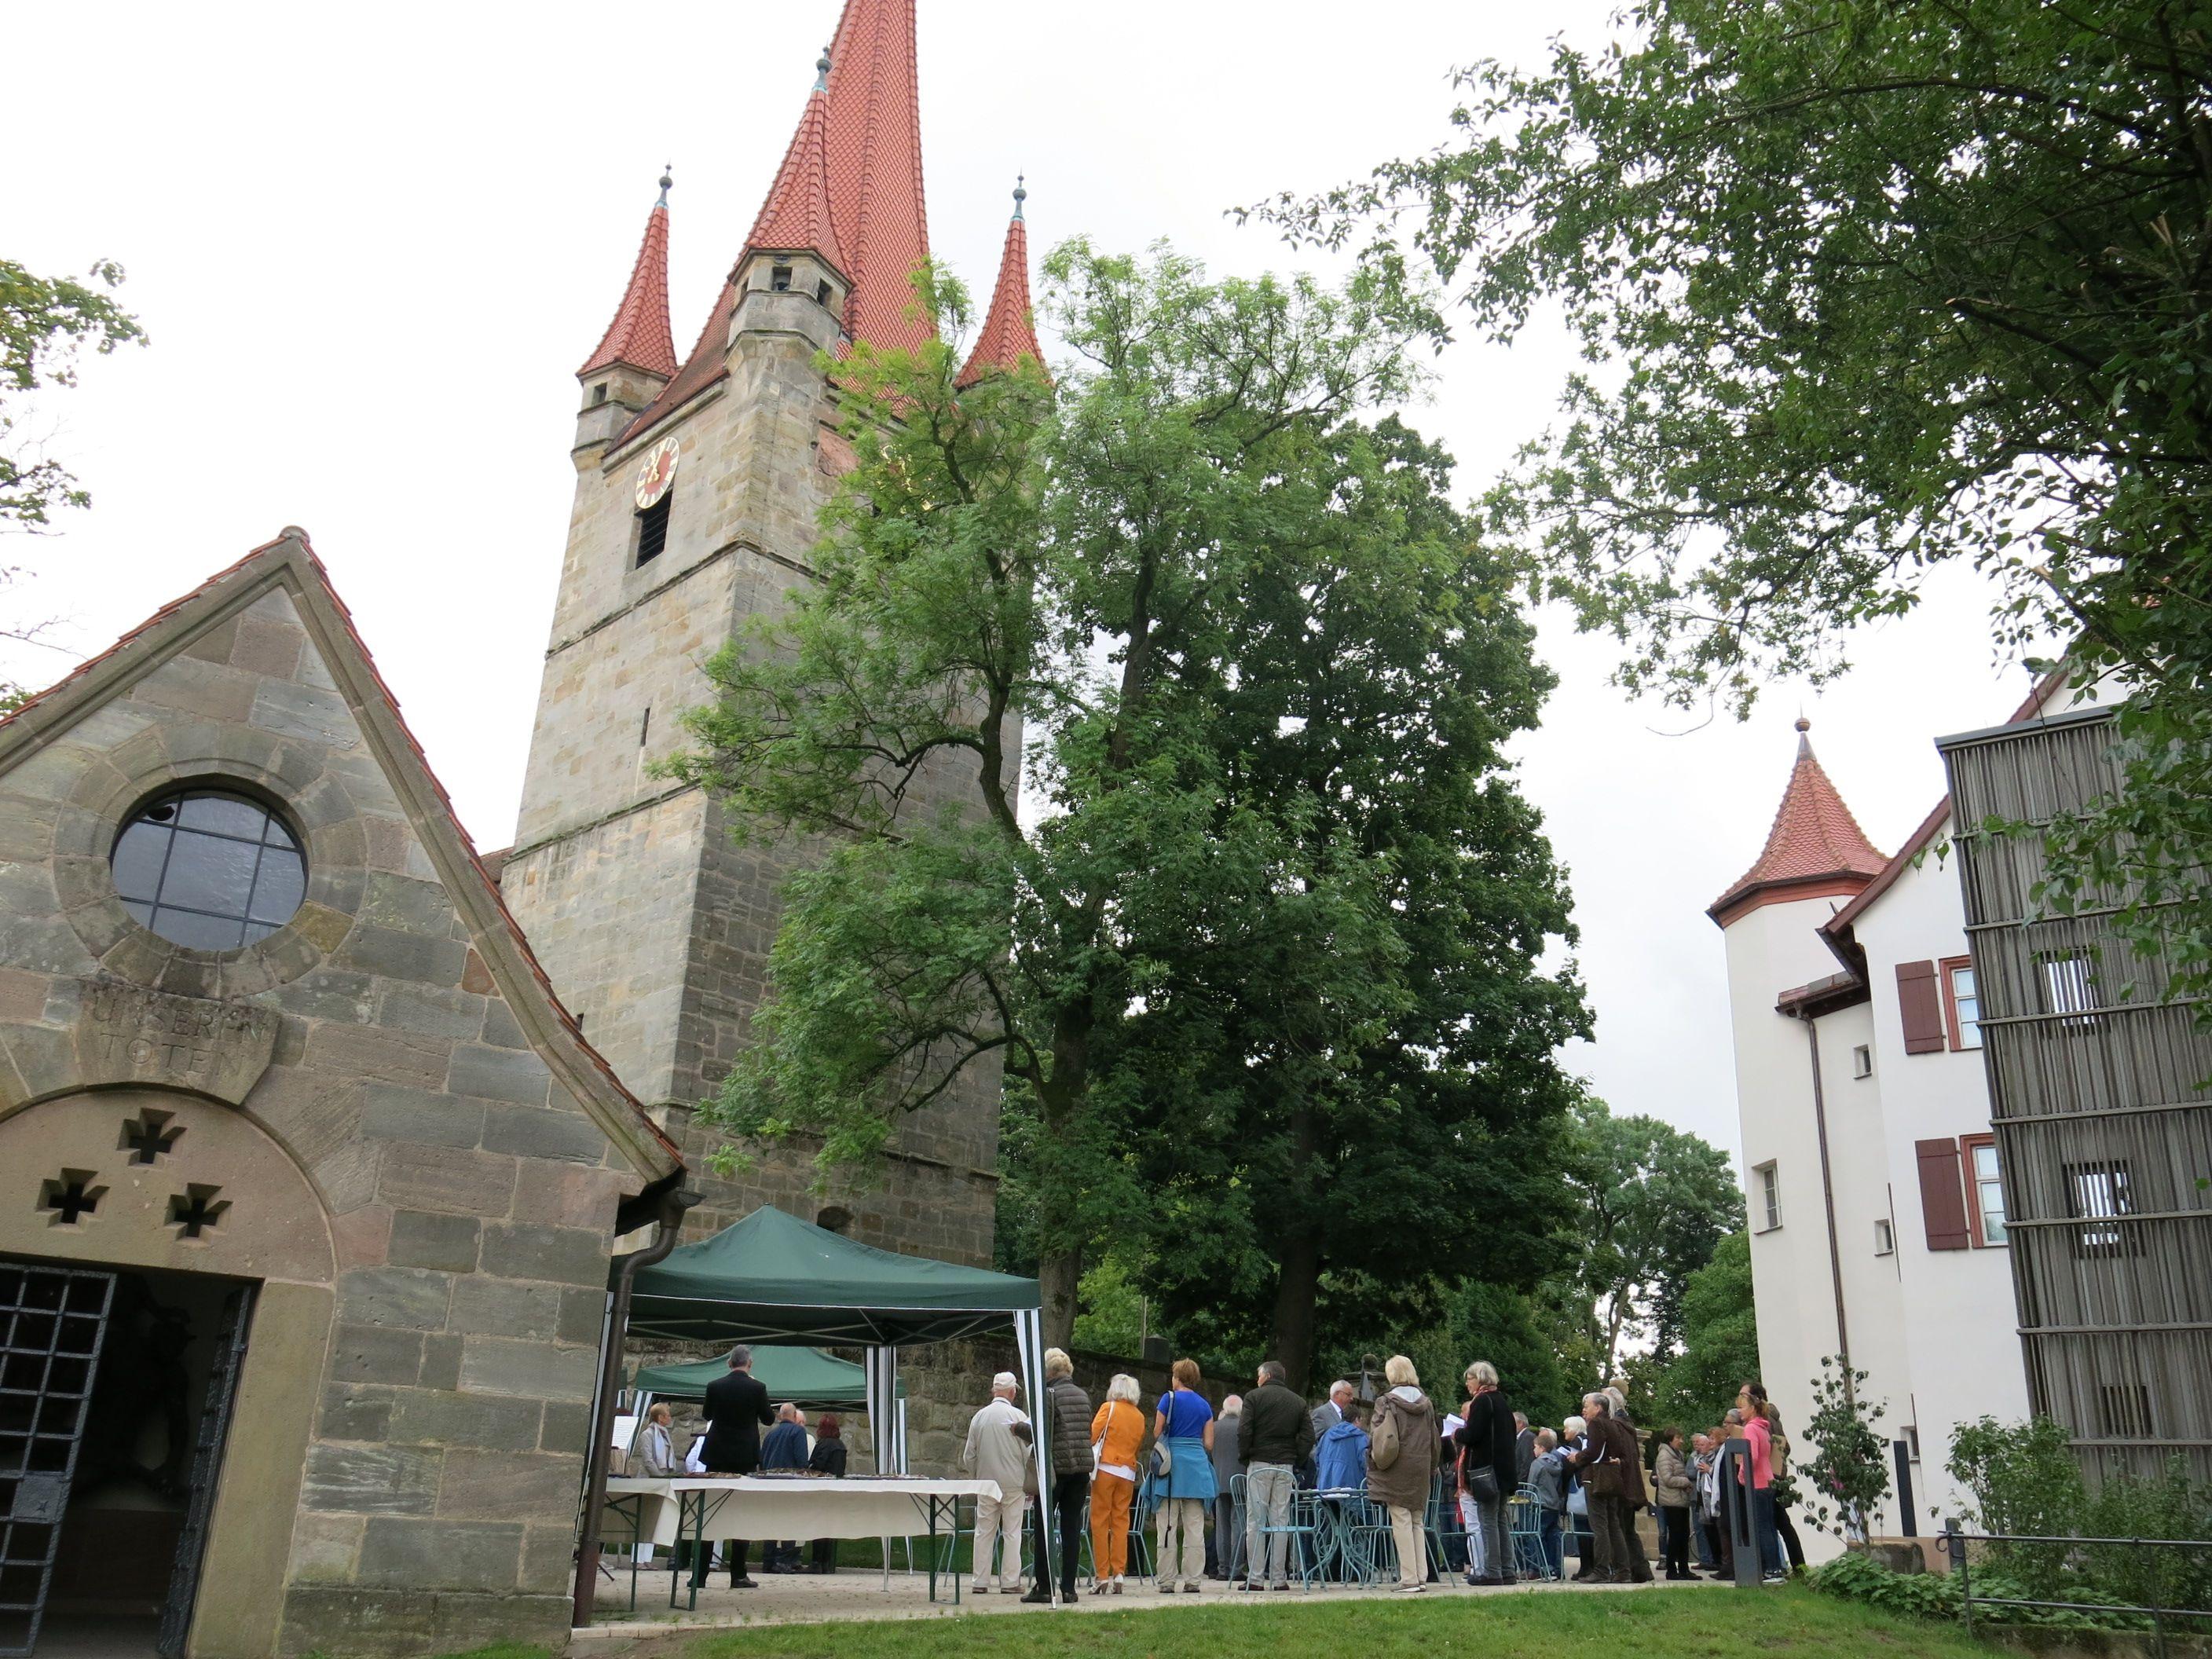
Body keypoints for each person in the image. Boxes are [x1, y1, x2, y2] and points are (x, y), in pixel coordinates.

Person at [698, 1346, 775, 1588]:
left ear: (729, 1363)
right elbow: (768, 1419)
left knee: (709, 1511)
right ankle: (738, 1574)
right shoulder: (758, 1387)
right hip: (744, 1455)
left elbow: (707, 1415)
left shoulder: (714, 1386)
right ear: (749, 1364)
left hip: (717, 1453)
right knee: (742, 1510)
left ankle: (699, 1575)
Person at [1366, 1356, 1440, 1595]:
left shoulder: (1386, 1402)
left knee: (1401, 1520)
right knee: (1417, 1521)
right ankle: (1421, 1576)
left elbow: (1378, 1436)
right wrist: (1432, 1465)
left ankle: (1408, 1578)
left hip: (1396, 1466)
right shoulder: (1426, 1404)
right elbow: (1435, 1439)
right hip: (1421, 1465)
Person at [1022, 1350, 1090, 1605]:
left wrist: (1018, 1429)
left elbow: (1042, 1434)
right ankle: (1069, 1588)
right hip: (1081, 1469)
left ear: (1049, 1372)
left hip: (1056, 1470)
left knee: (1044, 1527)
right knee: (1071, 1528)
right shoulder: (1083, 1395)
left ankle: (1044, 1585)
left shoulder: (1049, 1395)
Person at [1238, 1360, 1313, 1591]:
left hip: (1259, 1462)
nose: (1257, 1380)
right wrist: (1297, 1459)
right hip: (1285, 1465)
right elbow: (1308, 1436)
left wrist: (1246, 1455)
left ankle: (1256, 1578)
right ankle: (1279, 1577)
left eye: (1259, 1376)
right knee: (1281, 1521)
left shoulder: (1253, 1397)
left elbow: (1244, 1430)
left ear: (1267, 1376)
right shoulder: (1298, 1402)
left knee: (1256, 1521)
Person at [1152, 1358, 1218, 1594]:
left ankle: (1167, 1580)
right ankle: (1193, 1580)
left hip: (1170, 1468)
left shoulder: (1168, 1399)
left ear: (1178, 1378)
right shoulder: (1204, 1405)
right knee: (1195, 1527)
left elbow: (1157, 1432)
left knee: (1167, 1526)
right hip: (1196, 1468)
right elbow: (1209, 1443)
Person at [962, 1372, 1032, 1595]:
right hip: (1014, 1482)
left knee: (983, 1531)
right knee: (1012, 1532)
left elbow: (969, 1455)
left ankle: (980, 1581)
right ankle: (1010, 1582)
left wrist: (977, 1476)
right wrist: (1028, 1479)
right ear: (1012, 1392)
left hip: (986, 1482)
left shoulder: (979, 1417)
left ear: (994, 1391)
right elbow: (1028, 1453)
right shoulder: (1018, 1416)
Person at [1574, 1392, 1653, 1584]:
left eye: (1587, 1406)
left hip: (1596, 1479)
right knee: (1614, 1526)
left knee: (1600, 1526)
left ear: (1598, 1407)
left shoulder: (1596, 1424)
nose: (1584, 1410)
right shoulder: (1614, 1425)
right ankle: (1623, 1570)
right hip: (1612, 1480)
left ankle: (1601, 1570)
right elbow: (1620, 1454)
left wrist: (1577, 1457)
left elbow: (1594, 1452)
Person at [1453, 1361, 1516, 1585]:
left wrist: (1457, 1433)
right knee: (1500, 1520)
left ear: (1480, 1379)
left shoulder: (1482, 1401)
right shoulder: (1501, 1402)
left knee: (1488, 1520)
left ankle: (1491, 1571)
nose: (1467, 1384)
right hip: (1504, 1471)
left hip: (1487, 1471)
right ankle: (1507, 1570)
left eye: (1469, 1379)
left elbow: (1473, 1435)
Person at [1090, 1374, 1146, 1595]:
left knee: (1100, 1521)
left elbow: (1093, 1435)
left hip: (1106, 1467)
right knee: (1121, 1522)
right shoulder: (1139, 1416)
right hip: (1128, 1471)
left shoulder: (1108, 1407)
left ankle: (1102, 1575)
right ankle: (1119, 1572)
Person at [1748, 1384, 1807, 1573]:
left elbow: (1779, 1448)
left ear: (1756, 1400)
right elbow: (1784, 1447)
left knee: (1772, 1524)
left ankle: (1778, 1567)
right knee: (1780, 1524)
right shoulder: (1771, 1418)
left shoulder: (1764, 1420)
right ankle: (1796, 1566)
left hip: (1769, 1478)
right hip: (1775, 1476)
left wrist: (1771, 1465)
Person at [1735, 1384, 1787, 1581]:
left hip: (1757, 1482)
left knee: (1762, 1527)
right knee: (1770, 1526)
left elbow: (1752, 1456)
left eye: (1742, 1407)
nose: (1739, 1411)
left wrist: (1742, 1474)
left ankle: (1771, 1569)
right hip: (1768, 1480)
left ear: (1752, 1408)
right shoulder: (1763, 1427)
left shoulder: (1750, 1428)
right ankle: (1776, 1568)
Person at [756, 1404, 810, 1572]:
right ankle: (785, 1560)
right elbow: (801, 1459)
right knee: (789, 1520)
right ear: (794, 1416)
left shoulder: (771, 1434)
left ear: (780, 1416)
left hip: (770, 1482)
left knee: (771, 1521)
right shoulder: (798, 1432)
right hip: (790, 1482)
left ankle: (768, 1560)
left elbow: (762, 1459)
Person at [804, 1415, 848, 1573]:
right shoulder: (841, 1446)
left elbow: (817, 1465)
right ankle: (826, 1563)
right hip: (836, 1489)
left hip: (822, 1488)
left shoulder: (823, 1444)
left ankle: (816, 1562)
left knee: (819, 1526)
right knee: (829, 1527)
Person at [1208, 1393, 1243, 1581]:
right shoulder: (1244, 1427)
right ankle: (1236, 1568)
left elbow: (1208, 1451)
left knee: (1222, 1527)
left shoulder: (1214, 1427)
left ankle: (1223, 1569)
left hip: (1218, 1480)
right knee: (1238, 1525)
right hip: (1240, 1482)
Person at [1652, 1426, 1694, 1580]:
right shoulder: (1664, 1455)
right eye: (1678, 1438)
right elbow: (1667, 1479)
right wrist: (1686, 1482)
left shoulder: (1678, 1454)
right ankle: (1671, 1570)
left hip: (1681, 1500)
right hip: (1671, 1501)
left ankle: (1684, 1569)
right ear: (1670, 1440)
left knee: (1683, 1536)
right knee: (1675, 1536)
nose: (1681, 1441)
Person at [1527, 1427, 1569, 1580]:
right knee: (1553, 1537)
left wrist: (1528, 1499)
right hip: (1554, 1504)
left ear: (1542, 1448)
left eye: (1535, 1447)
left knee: (1537, 1536)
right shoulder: (1558, 1463)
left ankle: (1543, 1568)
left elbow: (1531, 1484)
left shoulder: (1537, 1464)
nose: (1534, 1450)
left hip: (1540, 1504)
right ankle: (1556, 1569)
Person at [1560, 1414, 1596, 1578]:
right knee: (1590, 1529)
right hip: (1588, 1488)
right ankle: (1592, 1566)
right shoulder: (1587, 1440)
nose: (1564, 1431)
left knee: (1582, 1529)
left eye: (1566, 1428)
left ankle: (1586, 1567)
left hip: (1578, 1490)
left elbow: (1571, 1464)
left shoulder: (1577, 1442)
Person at [628, 1402, 680, 1476]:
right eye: (668, 1416)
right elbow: (648, 1461)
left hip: (665, 1476)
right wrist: (660, 1476)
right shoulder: (647, 1434)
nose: (670, 1418)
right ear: (660, 1417)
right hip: (651, 1477)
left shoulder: (665, 1433)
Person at [1513, 1412, 1536, 1488]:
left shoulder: (1528, 1437)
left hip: (1522, 1483)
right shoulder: (1522, 1436)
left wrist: (1519, 1483)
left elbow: (1527, 1462)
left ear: (1520, 1423)